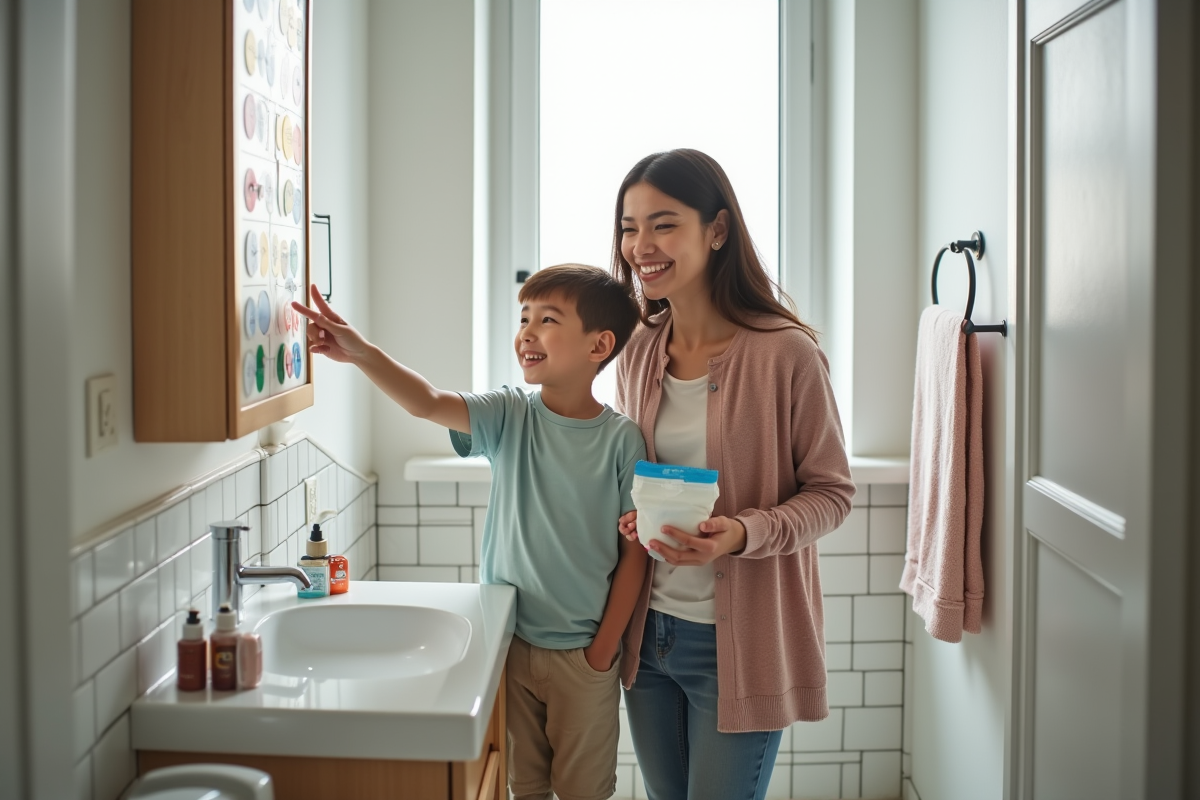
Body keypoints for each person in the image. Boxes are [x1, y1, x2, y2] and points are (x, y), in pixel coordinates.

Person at [293, 264, 648, 800]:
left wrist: (603, 651)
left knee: (584, 792)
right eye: (524, 316)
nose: (526, 331)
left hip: (584, 656)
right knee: (522, 786)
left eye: (547, 319)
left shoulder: (623, 441)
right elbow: (427, 401)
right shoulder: (509, 413)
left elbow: (634, 556)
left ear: (599, 345)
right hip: (507, 644)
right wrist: (361, 352)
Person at [611, 149, 855, 800]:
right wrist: (633, 516)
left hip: (737, 644)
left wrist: (740, 535)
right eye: (630, 227)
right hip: (649, 635)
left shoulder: (787, 354)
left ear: (717, 230)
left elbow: (833, 494)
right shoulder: (637, 349)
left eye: (664, 224)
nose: (641, 246)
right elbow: (637, 472)